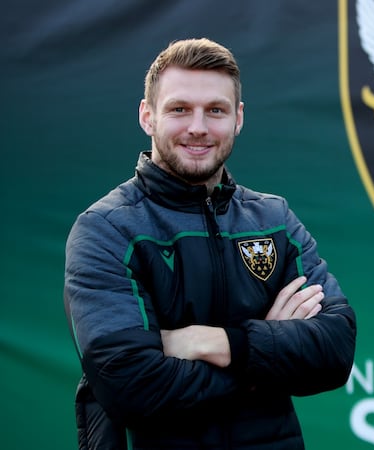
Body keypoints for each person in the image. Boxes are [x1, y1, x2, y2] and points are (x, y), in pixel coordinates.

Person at [63, 38, 357, 449]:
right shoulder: (107, 229)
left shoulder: (274, 220)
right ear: (147, 116)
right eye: (179, 109)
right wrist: (267, 350)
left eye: (215, 110)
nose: (198, 127)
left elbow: (335, 351)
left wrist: (217, 343)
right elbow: (132, 387)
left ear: (238, 118)